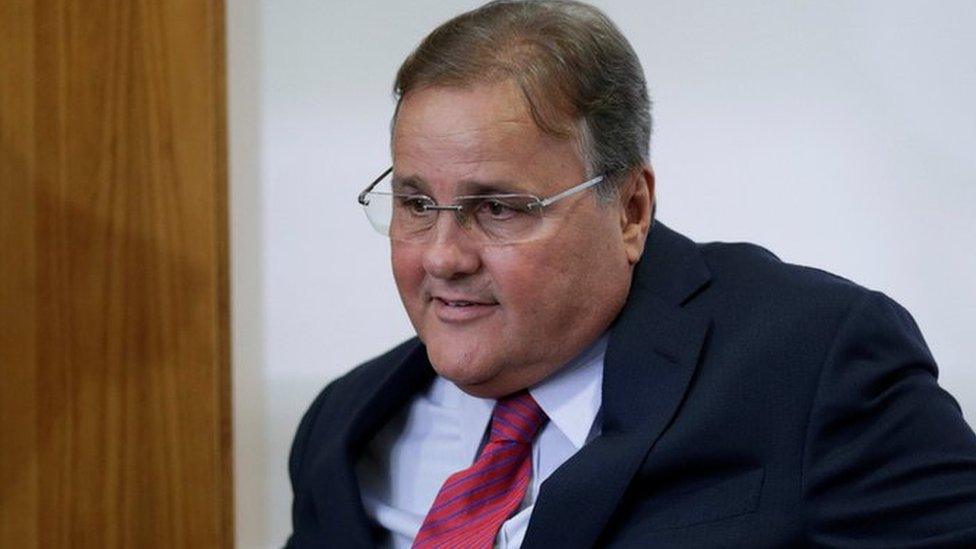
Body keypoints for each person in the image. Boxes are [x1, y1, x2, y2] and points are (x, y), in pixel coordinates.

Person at [286, 1, 976, 547]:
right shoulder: (345, 425)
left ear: (630, 209)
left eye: (496, 207)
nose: (441, 256)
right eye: (415, 203)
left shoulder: (815, 364)